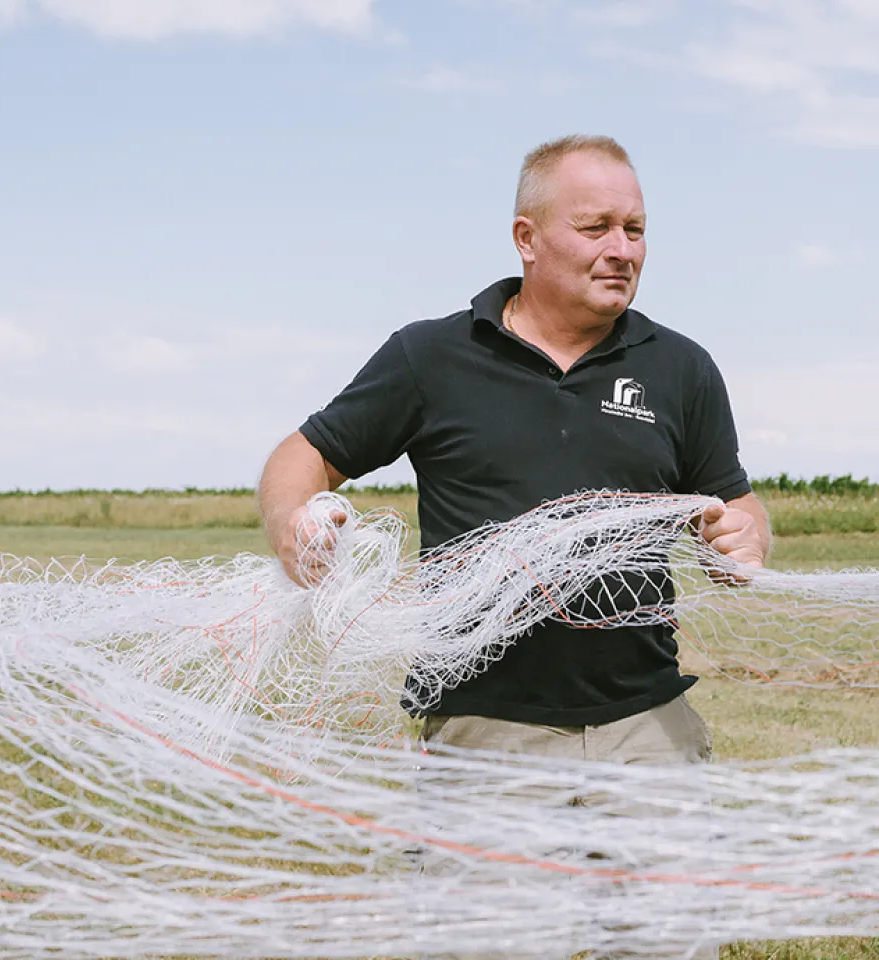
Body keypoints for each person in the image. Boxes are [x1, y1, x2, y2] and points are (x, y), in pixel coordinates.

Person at [258, 132, 770, 777]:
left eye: (635, 230)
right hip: (485, 735)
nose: (622, 250)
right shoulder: (431, 357)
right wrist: (293, 526)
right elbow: (304, 454)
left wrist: (744, 539)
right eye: (596, 228)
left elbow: (732, 500)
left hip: (648, 730)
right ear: (526, 238)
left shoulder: (682, 368)